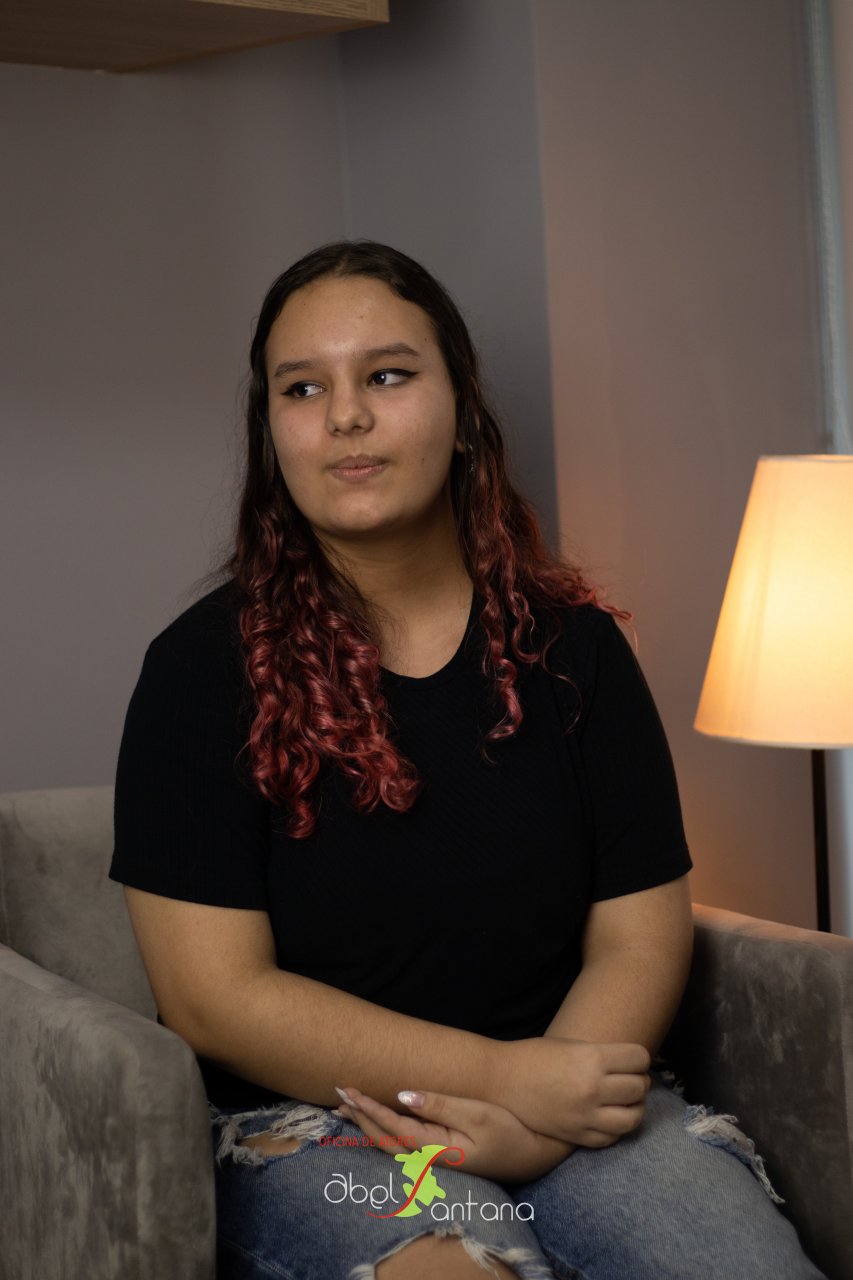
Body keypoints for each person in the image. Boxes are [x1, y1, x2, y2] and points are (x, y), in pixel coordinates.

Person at [109, 241, 825, 1280]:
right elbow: (215, 997)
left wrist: (539, 1115)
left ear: (461, 409)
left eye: (386, 375)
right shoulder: (199, 670)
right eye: (302, 388)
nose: (344, 416)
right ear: (272, 434)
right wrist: (505, 1080)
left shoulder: (574, 649)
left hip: (575, 1102)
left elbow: (636, 933)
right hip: (327, 1131)